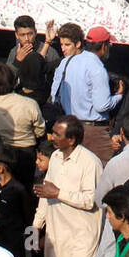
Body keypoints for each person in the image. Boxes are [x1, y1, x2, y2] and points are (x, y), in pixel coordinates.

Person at [33, 115, 103, 257]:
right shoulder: (56, 157)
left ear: (71, 140)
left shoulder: (90, 162)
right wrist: (36, 227)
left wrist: (58, 193)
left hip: (80, 239)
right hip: (57, 237)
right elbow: (45, 195)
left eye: (58, 134)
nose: (53, 138)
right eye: (53, 133)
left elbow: (89, 200)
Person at [48, 23, 117, 163]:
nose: (63, 48)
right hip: (93, 132)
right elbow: (102, 106)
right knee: (100, 176)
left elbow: (55, 95)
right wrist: (119, 96)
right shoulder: (96, 66)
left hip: (70, 128)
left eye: (66, 44)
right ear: (105, 46)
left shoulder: (65, 63)